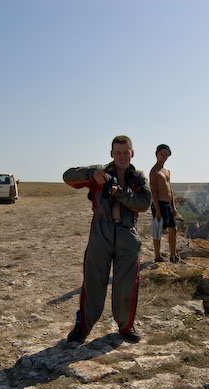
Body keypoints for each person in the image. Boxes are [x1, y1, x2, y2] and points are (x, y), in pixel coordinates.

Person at [63, 135, 151, 344]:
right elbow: (68, 176)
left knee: (126, 284)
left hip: (127, 235)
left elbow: (144, 202)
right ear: (111, 154)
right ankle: (82, 328)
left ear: (132, 153)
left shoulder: (138, 178)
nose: (122, 156)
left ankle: (126, 327)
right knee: (93, 281)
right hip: (100, 233)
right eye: (118, 152)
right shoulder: (100, 172)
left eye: (126, 152)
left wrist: (120, 193)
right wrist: (92, 174)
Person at [149, 144, 178, 262]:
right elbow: (154, 192)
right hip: (159, 203)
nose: (164, 156)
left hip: (168, 204)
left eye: (166, 154)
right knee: (158, 230)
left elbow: (170, 189)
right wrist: (158, 210)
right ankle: (157, 256)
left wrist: (174, 206)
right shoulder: (154, 171)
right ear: (157, 154)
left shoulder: (167, 171)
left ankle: (173, 255)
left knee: (173, 229)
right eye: (162, 154)